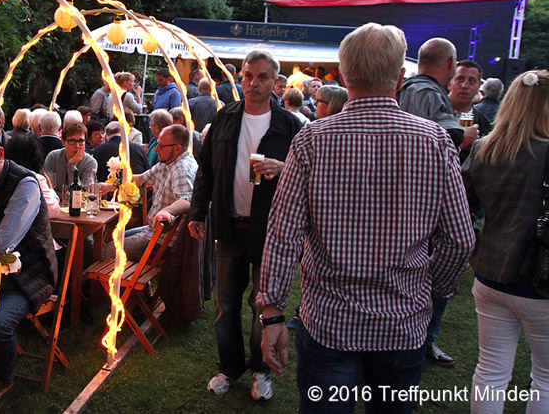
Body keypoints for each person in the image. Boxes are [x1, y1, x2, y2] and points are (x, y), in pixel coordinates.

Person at [258, 23, 474, 412]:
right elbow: (459, 238)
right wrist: (430, 288)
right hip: (402, 323)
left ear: (342, 76)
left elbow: (282, 234)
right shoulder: (435, 141)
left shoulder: (311, 140)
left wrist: (272, 313)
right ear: (400, 77)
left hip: (329, 323)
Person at [188, 50, 303, 402]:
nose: (254, 83)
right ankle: (229, 367)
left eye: (263, 77)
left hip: (270, 231)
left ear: (275, 82)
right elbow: (205, 170)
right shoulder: (225, 119)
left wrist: (283, 167)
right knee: (226, 303)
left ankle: (260, 370)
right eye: (248, 75)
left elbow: (309, 176)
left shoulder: (291, 126)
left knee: (262, 305)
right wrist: (197, 212)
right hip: (229, 225)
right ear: (241, 78)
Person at [462, 69, 549, 413]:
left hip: (491, 273)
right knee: (544, 375)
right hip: (538, 279)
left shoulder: (486, 148)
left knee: (491, 369)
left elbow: (460, 208)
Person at [397, 37, 477, 366]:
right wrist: (462, 137)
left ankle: (423, 337)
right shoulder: (424, 92)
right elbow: (417, 146)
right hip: (417, 202)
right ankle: (418, 337)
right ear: (449, 63)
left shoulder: (425, 92)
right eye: (459, 71)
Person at [0, 130, 57, 405]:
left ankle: (2, 377)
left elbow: (2, 243)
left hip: (29, 274)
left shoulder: (25, 184)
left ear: (1, 154)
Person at [103, 124, 197, 261]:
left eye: (161, 146)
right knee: (113, 236)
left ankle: (112, 281)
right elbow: (140, 180)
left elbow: (187, 200)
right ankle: (125, 281)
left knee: (110, 249)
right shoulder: (167, 163)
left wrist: (168, 211)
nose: (156, 149)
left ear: (177, 148)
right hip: (152, 231)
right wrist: (108, 186)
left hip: (162, 242)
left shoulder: (182, 168)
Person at [3, 132, 60, 219]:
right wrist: (50, 189)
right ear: (36, 155)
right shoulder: (35, 179)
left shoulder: (2, 176)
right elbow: (53, 210)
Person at [43, 122, 98, 202]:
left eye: (81, 141)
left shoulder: (90, 162)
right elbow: (48, 191)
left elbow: (82, 195)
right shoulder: (53, 157)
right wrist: (65, 197)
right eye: (72, 141)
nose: (77, 146)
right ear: (63, 142)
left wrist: (71, 166)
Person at [448, 61, 492, 158]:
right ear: (450, 83)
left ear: (479, 87)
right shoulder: (435, 112)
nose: (465, 86)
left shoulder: (484, 123)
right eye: (460, 79)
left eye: (471, 81)